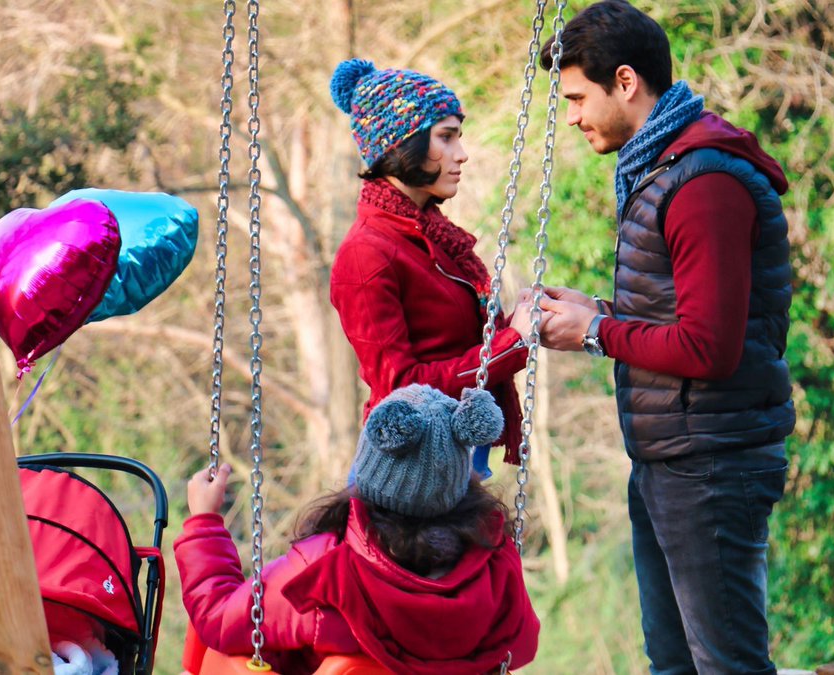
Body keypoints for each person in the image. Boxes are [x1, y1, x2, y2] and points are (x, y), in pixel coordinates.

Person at [532, 2, 795, 673]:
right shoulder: (660, 169)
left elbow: (709, 348)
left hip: (710, 462)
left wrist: (596, 332)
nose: (571, 117)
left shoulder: (703, 182)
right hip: (672, 457)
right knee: (672, 666)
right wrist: (598, 309)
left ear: (625, 82)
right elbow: (680, 313)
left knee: (724, 666)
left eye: (576, 97)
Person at [175, 385, 540, 675]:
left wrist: (205, 521)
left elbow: (219, 617)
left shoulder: (326, 574)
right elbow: (524, 644)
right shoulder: (494, 570)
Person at [327, 58, 535, 479]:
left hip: (452, 458)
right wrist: (515, 343)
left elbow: (451, 346)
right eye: (446, 138)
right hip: (406, 474)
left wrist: (526, 319)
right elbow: (402, 389)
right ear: (401, 144)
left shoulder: (432, 237)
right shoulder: (367, 253)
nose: (462, 154)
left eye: (459, 137)